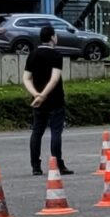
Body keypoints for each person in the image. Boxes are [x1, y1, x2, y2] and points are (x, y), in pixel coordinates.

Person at [22, 24, 73, 176]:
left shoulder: (33, 54)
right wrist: (44, 95)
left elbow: (26, 78)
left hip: (38, 101)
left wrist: (36, 95)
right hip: (55, 99)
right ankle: (58, 164)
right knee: (56, 132)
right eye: (55, 35)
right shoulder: (56, 55)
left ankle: (35, 166)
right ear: (52, 37)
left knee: (37, 131)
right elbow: (54, 79)